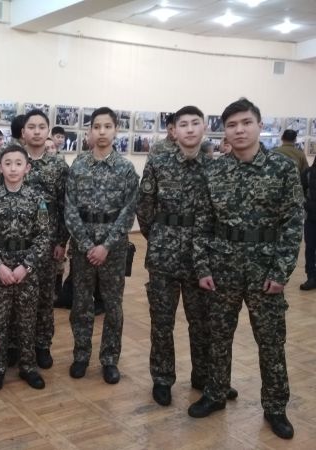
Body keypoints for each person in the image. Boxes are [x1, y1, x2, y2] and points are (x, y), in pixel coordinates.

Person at [188, 98, 303, 440]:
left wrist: (281, 271)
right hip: (222, 266)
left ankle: (275, 407)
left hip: (264, 270)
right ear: (225, 131)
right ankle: (215, 392)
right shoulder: (214, 171)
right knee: (218, 336)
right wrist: (202, 266)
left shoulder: (282, 168)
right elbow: (202, 223)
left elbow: (293, 223)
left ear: (259, 125)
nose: (239, 130)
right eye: (232, 125)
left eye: (246, 123)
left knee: (270, 341)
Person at [137, 106, 237, 407]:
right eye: (183, 124)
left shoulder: (216, 168)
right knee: (162, 322)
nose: (190, 129)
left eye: (195, 123)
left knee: (202, 322)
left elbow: (221, 214)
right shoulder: (158, 163)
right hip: (163, 256)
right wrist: (158, 237)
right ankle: (162, 378)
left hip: (201, 259)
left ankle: (203, 376)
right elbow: (145, 208)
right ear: (174, 130)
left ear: (204, 127)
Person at [65, 107, 138, 384]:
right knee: (81, 304)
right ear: (90, 131)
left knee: (113, 306)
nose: (102, 132)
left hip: (113, 249)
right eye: (97, 127)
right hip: (83, 246)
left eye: (107, 126)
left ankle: (109, 359)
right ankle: (81, 355)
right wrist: (86, 245)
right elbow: (70, 208)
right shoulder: (79, 166)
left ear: (116, 130)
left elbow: (128, 212)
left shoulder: (126, 169)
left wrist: (105, 246)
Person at [0, 145, 50, 391]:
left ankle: (28, 366)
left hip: (26, 269)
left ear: (27, 168)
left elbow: (43, 236)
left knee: (27, 320)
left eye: (18, 163)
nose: (13, 168)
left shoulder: (36, 198)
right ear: (0, 168)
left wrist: (26, 266)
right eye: (7, 163)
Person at [20, 109, 69, 370]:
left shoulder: (58, 165)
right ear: (23, 132)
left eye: (41, 127)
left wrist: (61, 241)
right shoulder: (12, 159)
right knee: (18, 296)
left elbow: (64, 205)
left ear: (47, 131)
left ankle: (42, 345)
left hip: (48, 242)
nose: (37, 131)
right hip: (16, 240)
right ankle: (17, 345)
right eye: (32, 127)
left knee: (45, 296)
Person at [301, 158, 316, 290]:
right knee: (310, 248)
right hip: (311, 217)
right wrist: (306, 205)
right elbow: (299, 191)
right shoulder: (308, 173)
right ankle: (311, 277)